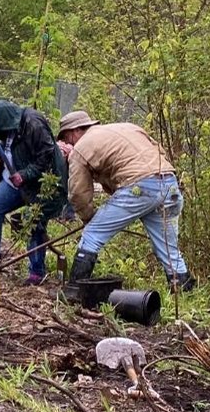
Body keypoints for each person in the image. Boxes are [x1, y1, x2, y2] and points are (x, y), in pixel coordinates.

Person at [55, 110, 195, 291]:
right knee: (168, 248)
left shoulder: (81, 148)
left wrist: (88, 218)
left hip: (140, 187)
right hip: (169, 183)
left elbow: (78, 193)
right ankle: (183, 291)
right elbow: (158, 151)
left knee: (92, 234)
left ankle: (75, 290)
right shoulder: (127, 127)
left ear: (75, 131)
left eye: (67, 139)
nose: (69, 144)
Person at [0, 99, 68, 284]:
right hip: (16, 182)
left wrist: (25, 174)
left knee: (32, 221)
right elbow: (8, 148)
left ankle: (37, 272)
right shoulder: (9, 129)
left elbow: (46, 155)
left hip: (44, 184)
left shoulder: (32, 123)